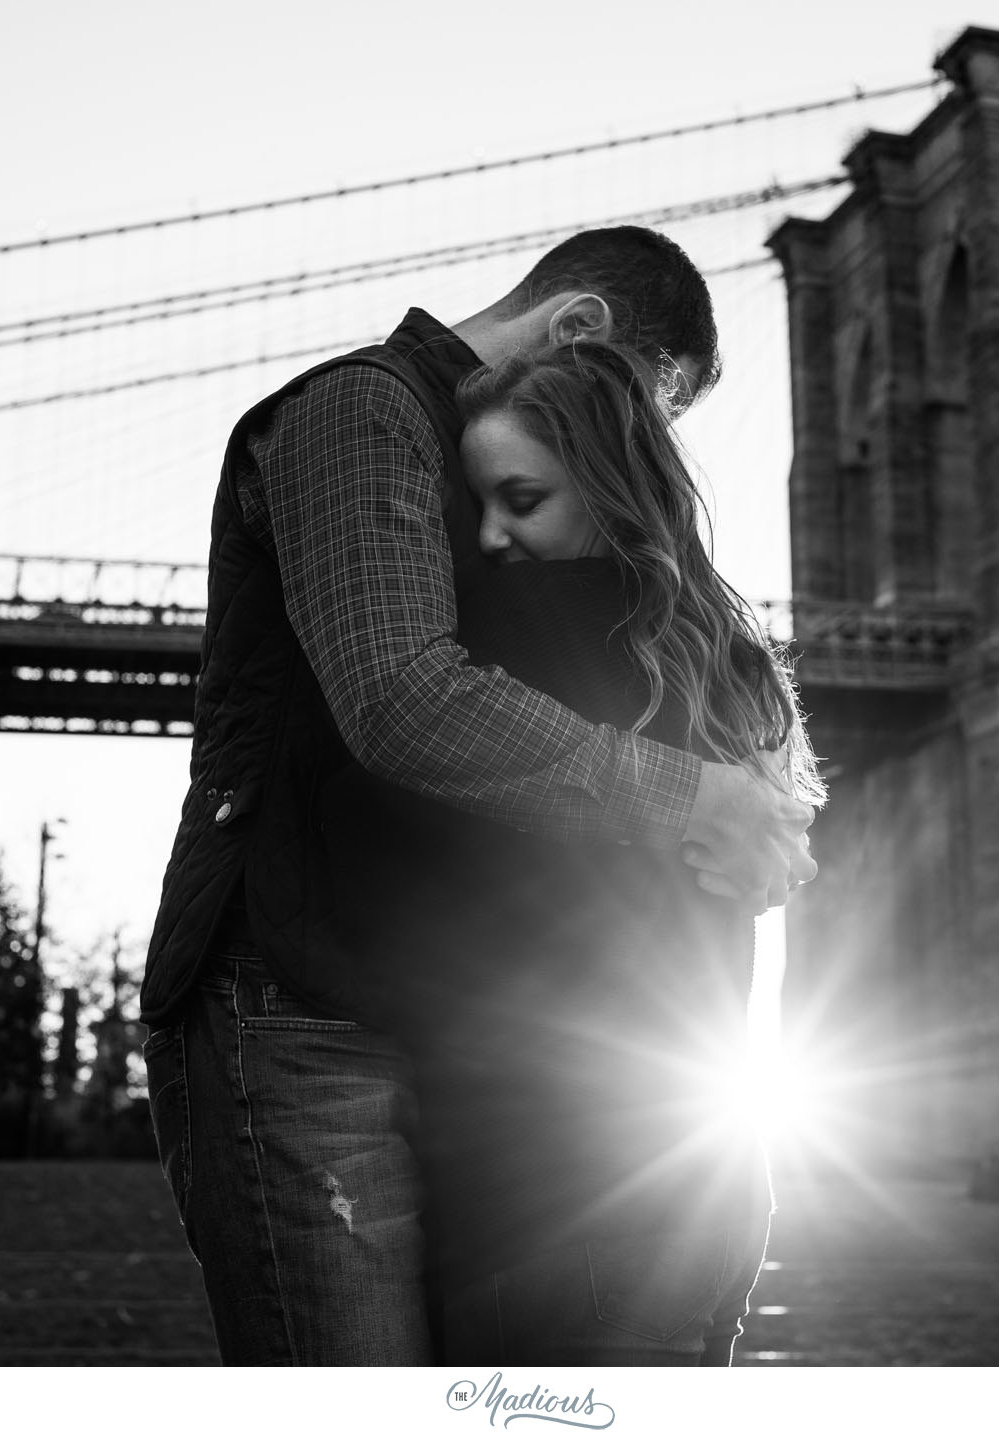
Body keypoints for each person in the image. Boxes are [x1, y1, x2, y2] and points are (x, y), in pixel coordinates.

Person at [139, 227, 818, 1366]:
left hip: (439, 1023)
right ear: (580, 328)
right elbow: (406, 698)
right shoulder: (361, 411)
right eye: (651, 402)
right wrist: (696, 800)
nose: (633, 440)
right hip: (300, 1009)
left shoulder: (554, 528)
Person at [318, 340, 822, 1364]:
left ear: (607, 487)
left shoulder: (502, 638)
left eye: (521, 498)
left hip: (548, 1215)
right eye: (478, 512)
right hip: (709, 1194)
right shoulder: (724, 662)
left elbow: (381, 739)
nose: (493, 538)